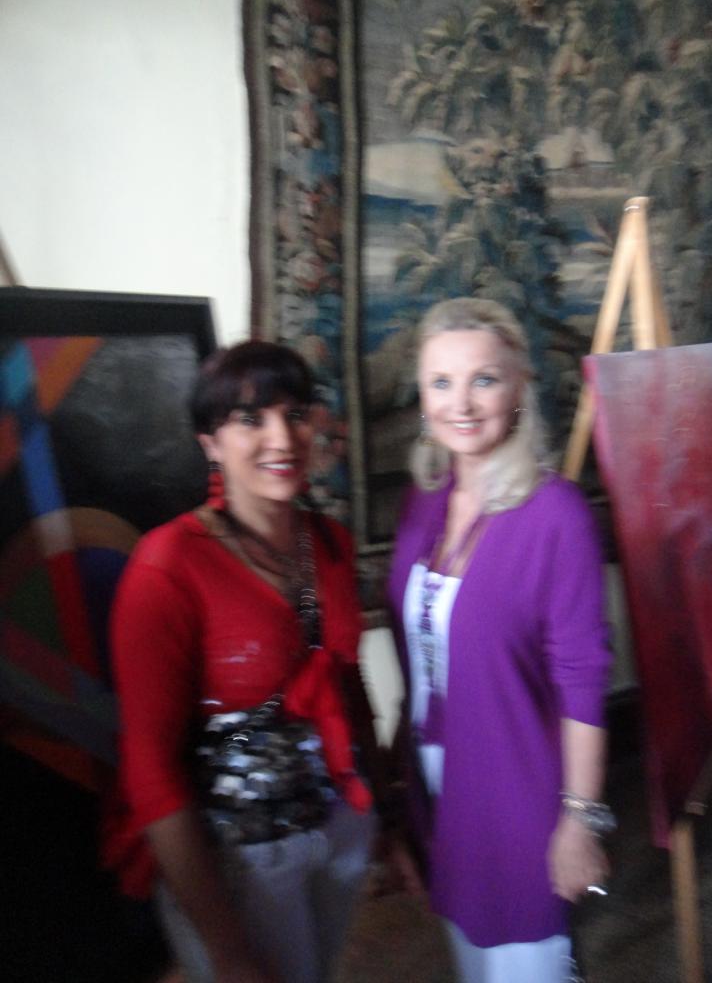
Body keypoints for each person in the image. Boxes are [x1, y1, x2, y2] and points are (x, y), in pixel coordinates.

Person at [106, 340, 377, 983]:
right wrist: (226, 948)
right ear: (210, 443)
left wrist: (384, 813)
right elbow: (151, 769)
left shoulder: (329, 543)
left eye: (295, 413)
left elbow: (347, 682)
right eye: (251, 419)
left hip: (338, 828)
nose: (283, 438)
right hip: (239, 858)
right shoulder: (168, 568)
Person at [386, 298, 613, 983]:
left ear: (519, 388)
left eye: (483, 379)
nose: (460, 403)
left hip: (515, 786)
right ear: (423, 397)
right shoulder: (424, 500)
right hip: (437, 779)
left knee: (525, 962)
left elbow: (582, 679)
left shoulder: (557, 515)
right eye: (441, 382)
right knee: (470, 957)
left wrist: (580, 822)